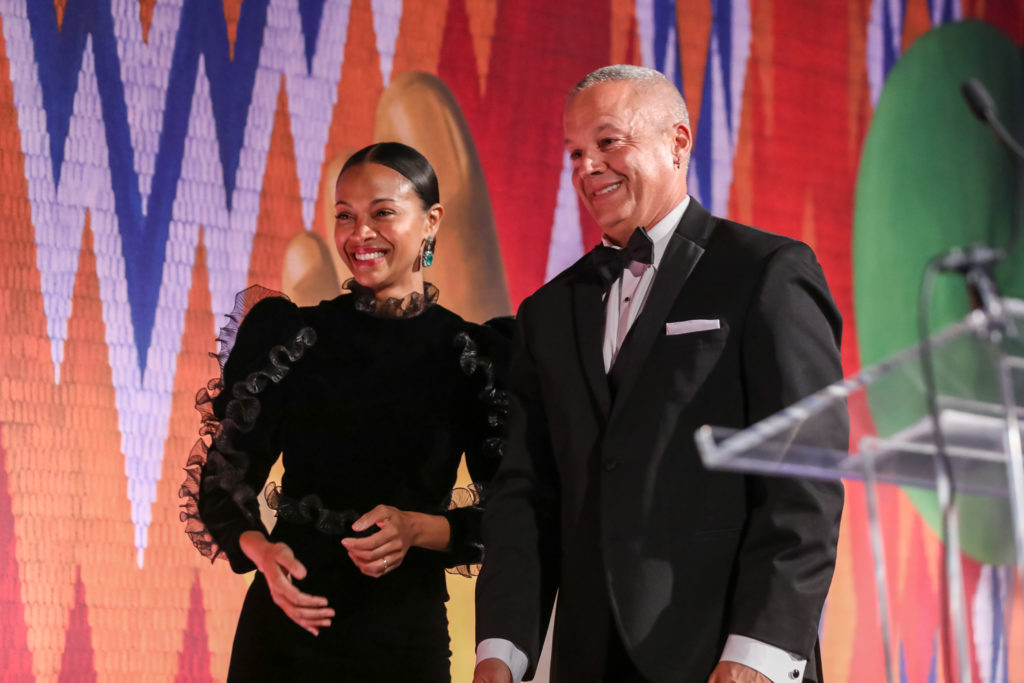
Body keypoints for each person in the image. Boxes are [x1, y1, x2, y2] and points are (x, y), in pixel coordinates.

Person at [473, 65, 846, 683]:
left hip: (723, 653)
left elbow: (803, 478)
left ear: (677, 142)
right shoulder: (546, 312)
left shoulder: (765, 271)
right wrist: (501, 651)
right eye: (574, 152)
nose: (586, 167)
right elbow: (525, 497)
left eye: (608, 142)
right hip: (589, 660)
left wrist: (758, 653)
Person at [180, 142, 508, 682]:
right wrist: (262, 553)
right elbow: (224, 479)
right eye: (344, 216)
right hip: (284, 631)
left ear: (431, 222)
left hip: (402, 637)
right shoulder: (291, 337)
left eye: (383, 212)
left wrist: (416, 529)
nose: (360, 235)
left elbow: (508, 517)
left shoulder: (473, 354)